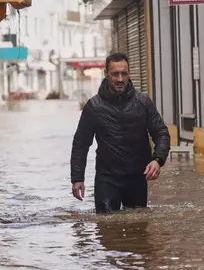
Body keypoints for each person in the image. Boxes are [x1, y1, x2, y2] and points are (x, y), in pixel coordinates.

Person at [70, 52, 171, 214]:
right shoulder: (94, 106)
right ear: (106, 74)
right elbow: (81, 144)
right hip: (107, 178)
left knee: (138, 229)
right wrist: (77, 178)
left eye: (124, 73)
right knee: (107, 228)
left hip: (137, 177)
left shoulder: (143, 102)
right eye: (115, 74)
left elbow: (161, 133)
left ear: (129, 74)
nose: (120, 79)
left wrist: (157, 160)